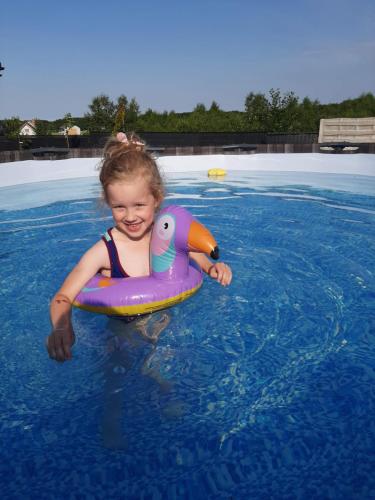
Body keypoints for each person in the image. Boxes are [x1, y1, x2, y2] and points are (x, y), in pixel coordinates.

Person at [46, 132, 233, 362]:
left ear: (157, 198)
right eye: (119, 207)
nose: (130, 216)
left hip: (162, 321)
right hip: (120, 333)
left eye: (139, 205)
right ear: (107, 202)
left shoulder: (163, 234)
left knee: (165, 376)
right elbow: (63, 296)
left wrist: (212, 268)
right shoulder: (104, 251)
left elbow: (192, 252)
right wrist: (61, 328)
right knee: (117, 378)